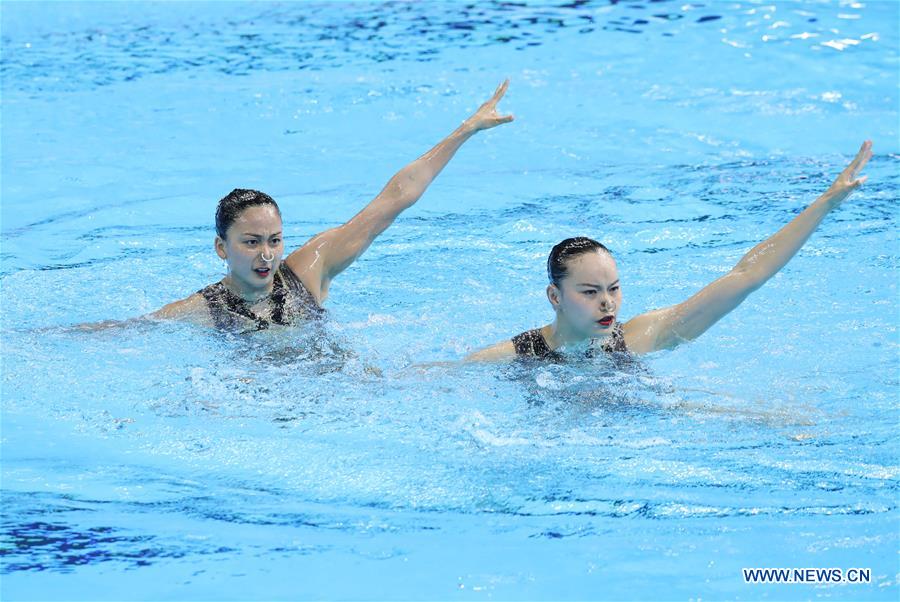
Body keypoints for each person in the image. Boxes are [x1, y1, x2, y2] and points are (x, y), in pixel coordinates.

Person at [113, 81, 512, 331]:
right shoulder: (202, 310)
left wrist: (465, 131)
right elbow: (125, 330)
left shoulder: (310, 269)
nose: (266, 254)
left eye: (274, 240)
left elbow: (393, 200)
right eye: (251, 242)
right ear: (222, 248)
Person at [466, 141, 873, 361]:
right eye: (590, 292)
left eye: (613, 288)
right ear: (555, 296)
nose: (607, 303)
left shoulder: (642, 337)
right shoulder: (516, 357)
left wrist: (824, 205)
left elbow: (746, 276)